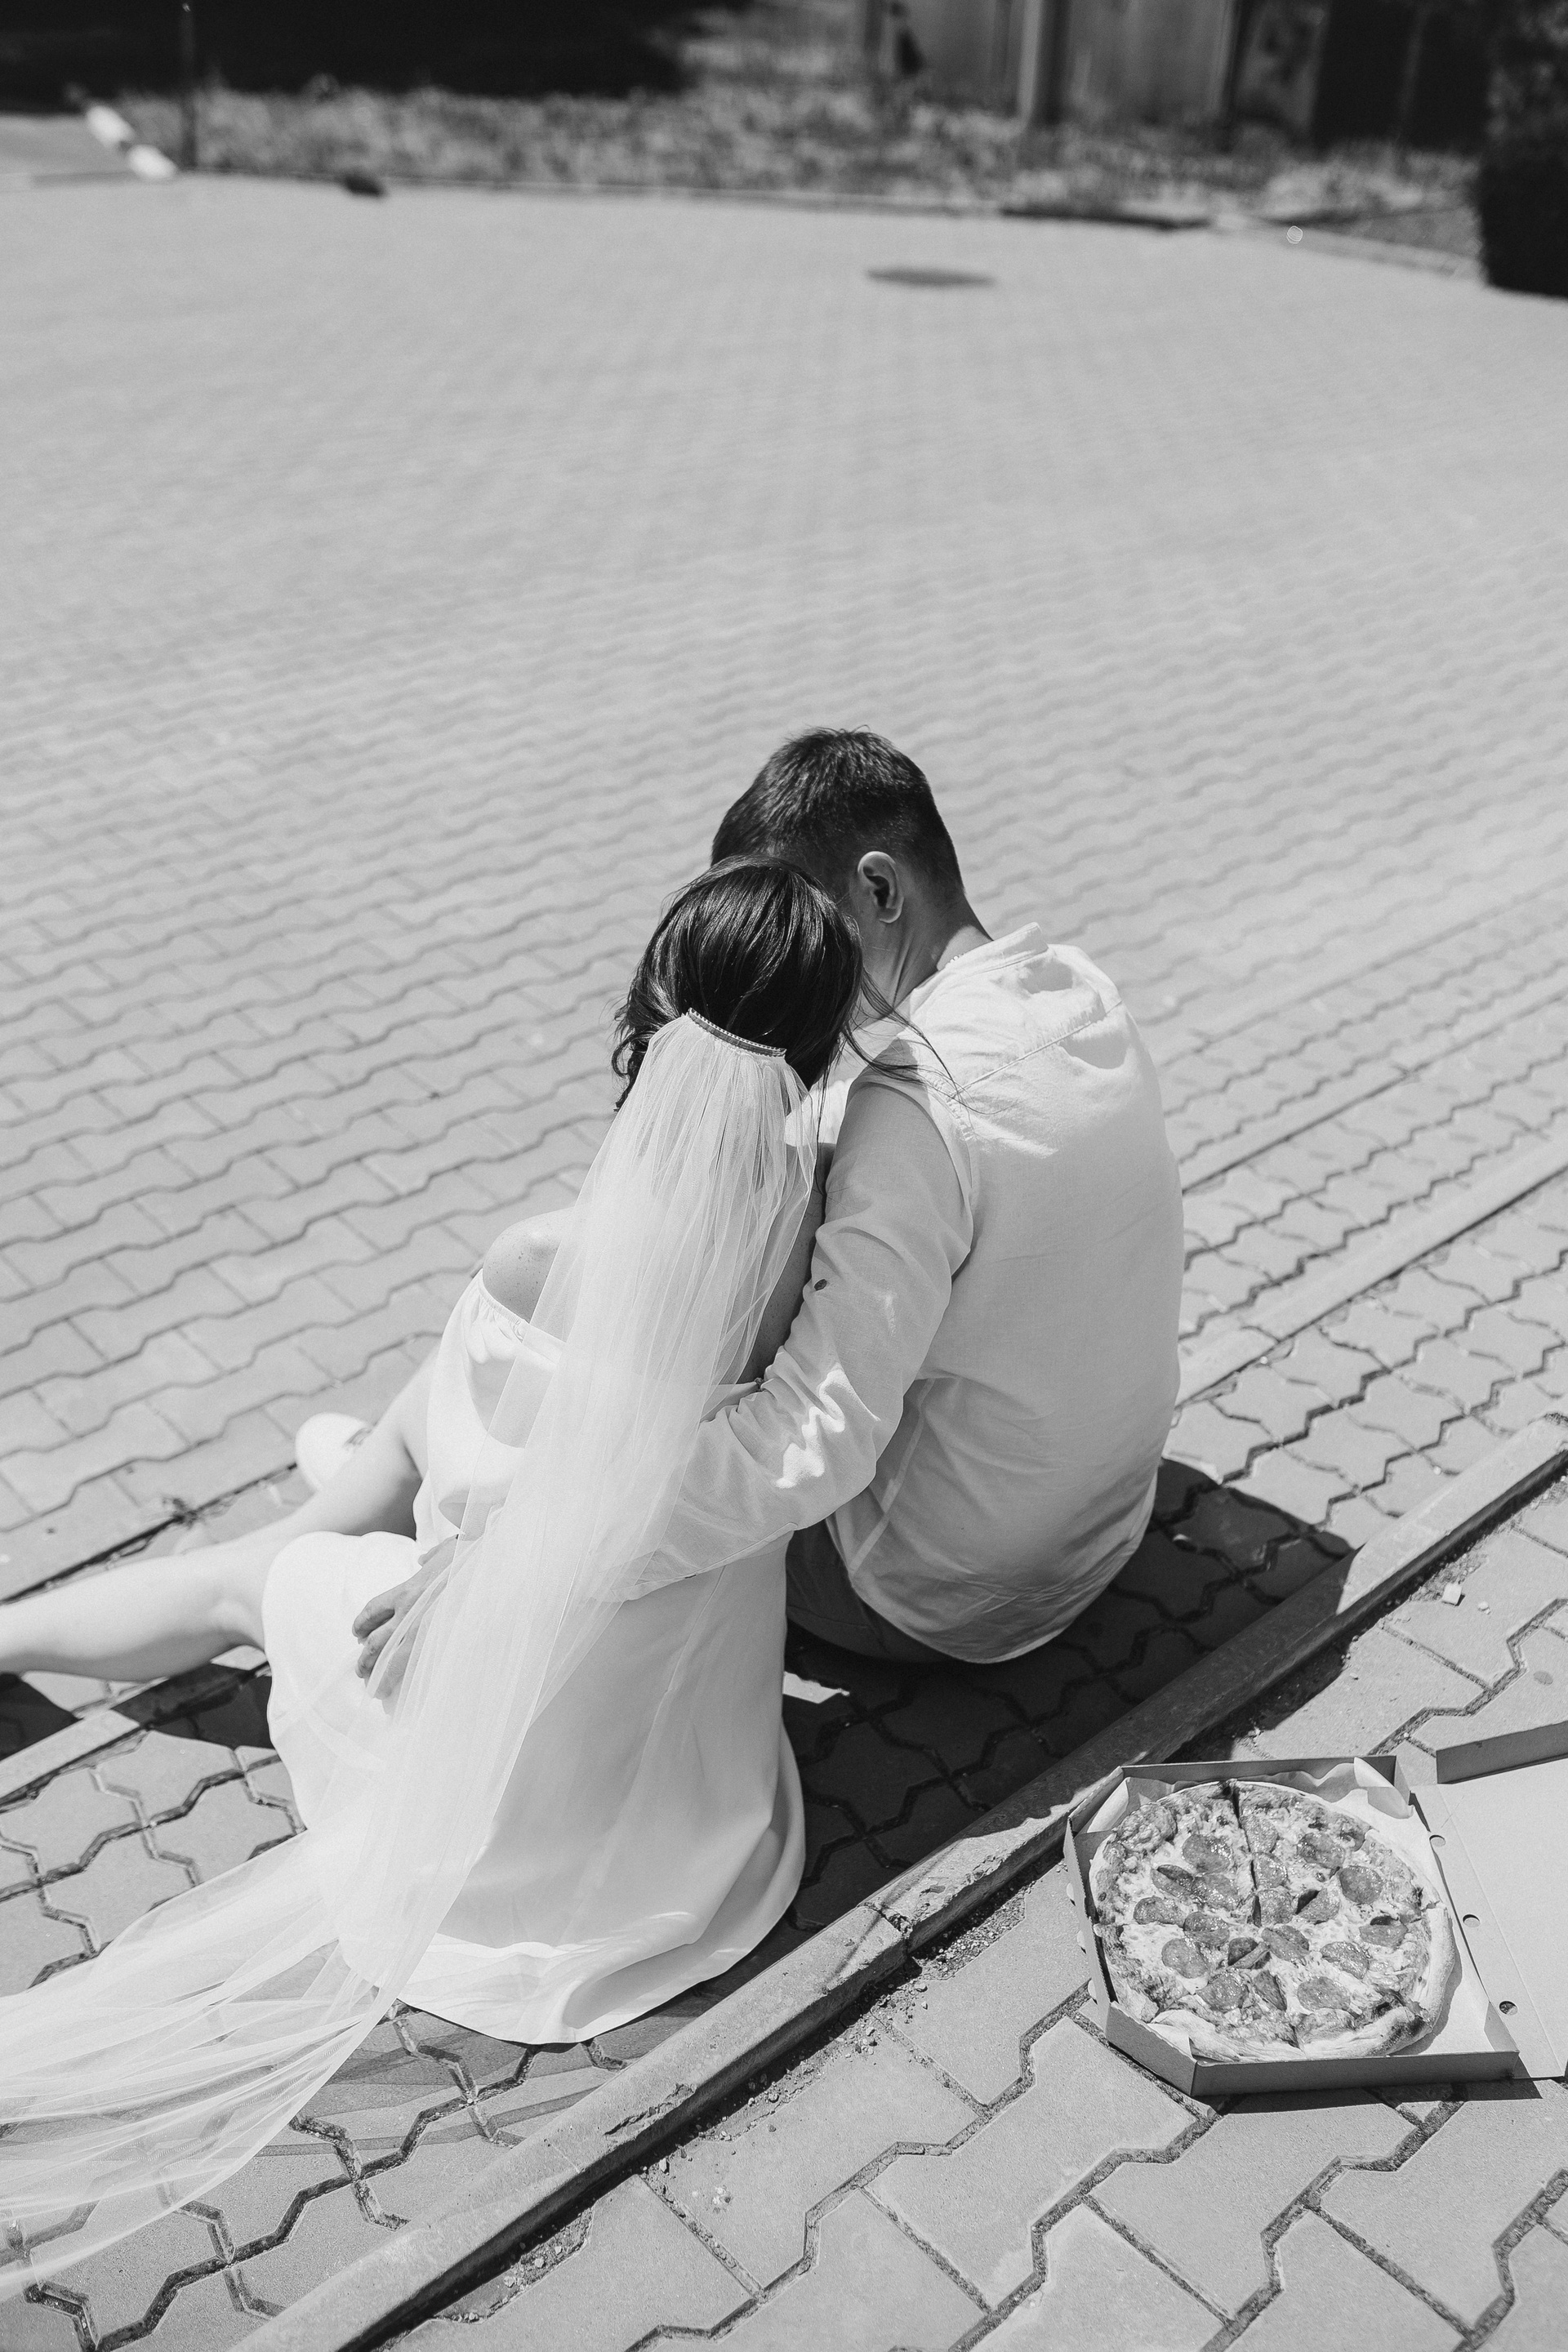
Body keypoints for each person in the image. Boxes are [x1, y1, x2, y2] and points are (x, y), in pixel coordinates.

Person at [0, 858, 861, 2294]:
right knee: (387, 1448)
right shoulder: (815, 1243)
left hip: (512, 1771)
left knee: (261, 1573)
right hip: (691, 1790)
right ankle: (341, 1461)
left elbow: (486, 1497)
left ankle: (16, 1628)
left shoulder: (540, 1258)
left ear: (652, 1012)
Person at [348, 728, 1185, 1677]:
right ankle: (399, 1463)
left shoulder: (915, 1109)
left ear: (880, 889)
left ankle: (413, 1473)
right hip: (1100, 1531)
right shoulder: (1078, 987)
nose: (798, 967)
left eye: (808, 924)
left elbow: (812, 1436)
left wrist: (522, 1556)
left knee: (604, 1299)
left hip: (934, 1592)